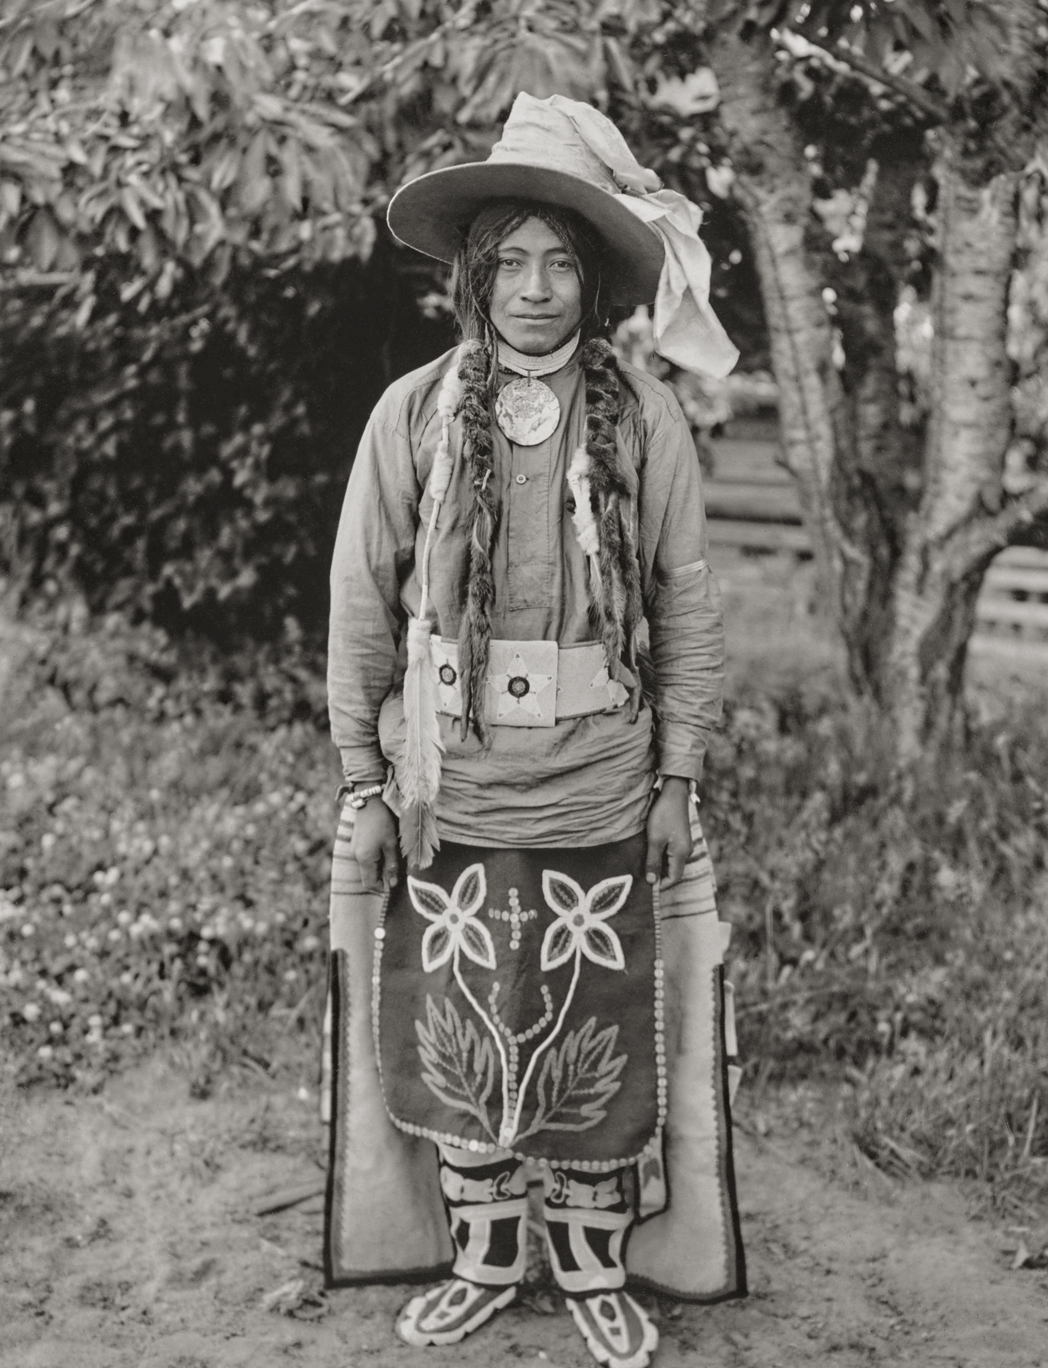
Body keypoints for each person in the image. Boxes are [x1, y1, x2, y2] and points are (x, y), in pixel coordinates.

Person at [324, 94, 745, 1368]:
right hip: (448, 787)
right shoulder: (411, 414)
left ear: (596, 280)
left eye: (562, 262)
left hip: (602, 786)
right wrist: (365, 773)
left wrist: (676, 775)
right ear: (471, 277)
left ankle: (592, 1262)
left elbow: (681, 596)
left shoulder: (643, 421)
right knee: (458, 1019)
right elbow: (360, 592)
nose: (536, 288)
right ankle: (484, 1256)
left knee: (591, 1019)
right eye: (509, 261)